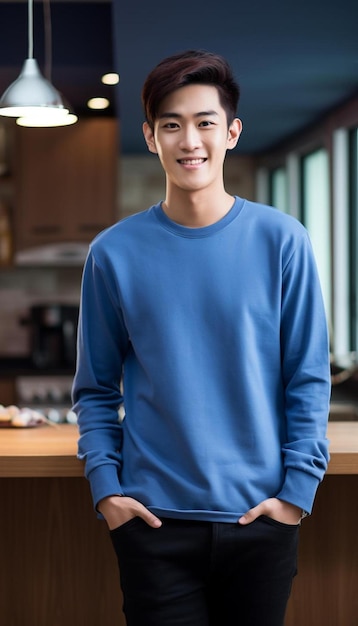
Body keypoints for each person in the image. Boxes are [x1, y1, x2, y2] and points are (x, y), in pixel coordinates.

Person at [72, 49, 331, 626]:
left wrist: (296, 494)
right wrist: (106, 490)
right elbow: (94, 388)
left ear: (232, 132)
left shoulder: (282, 241)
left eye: (205, 122)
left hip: (261, 520)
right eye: (172, 125)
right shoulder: (112, 253)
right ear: (151, 137)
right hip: (153, 523)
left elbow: (307, 378)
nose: (190, 140)